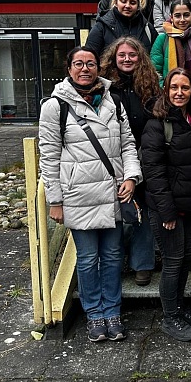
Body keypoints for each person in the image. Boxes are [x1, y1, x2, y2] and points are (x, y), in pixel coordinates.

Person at [38, 46, 142, 342]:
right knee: (86, 259)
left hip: (113, 193)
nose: (85, 69)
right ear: (68, 68)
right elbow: (49, 156)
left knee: (112, 257)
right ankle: (94, 314)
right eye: (79, 64)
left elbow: (127, 145)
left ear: (99, 67)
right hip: (78, 195)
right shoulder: (55, 106)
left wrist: (132, 177)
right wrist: (55, 201)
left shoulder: (114, 101)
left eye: (91, 63)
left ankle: (112, 311)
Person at [141, 68, 191, 342]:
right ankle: (170, 317)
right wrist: (167, 210)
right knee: (172, 262)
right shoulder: (157, 123)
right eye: (174, 88)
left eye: (184, 87)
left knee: (185, 259)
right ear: (166, 91)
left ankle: (179, 307)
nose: (179, 93)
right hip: (168, 209)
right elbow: (154, 171)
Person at [100, 37, 160, 286]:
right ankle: (115, 259)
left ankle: (142, 264)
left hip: (144, 154)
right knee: (115, 211)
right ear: (114, 57)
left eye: (132, 55)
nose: (127, 59)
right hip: (112, 155)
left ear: (140, 57)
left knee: (142, 212)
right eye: (122, 55)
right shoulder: (103, 87)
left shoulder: (150, 85)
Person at [86, 0, 157, 56]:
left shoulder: (148, 29)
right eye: (123, 1)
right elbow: (90, 57)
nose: (127, 6)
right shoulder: (101, 27)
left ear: (138, 6)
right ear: (116, 3)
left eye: (132, 3)